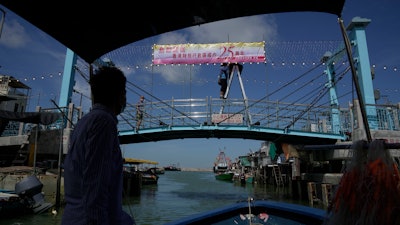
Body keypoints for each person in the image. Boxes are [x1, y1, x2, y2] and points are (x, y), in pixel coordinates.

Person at [61, 66, 135, 225]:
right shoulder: (104, 123)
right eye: (124, 92)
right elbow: (95, 190)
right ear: (119, 94)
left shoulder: (83, 122)